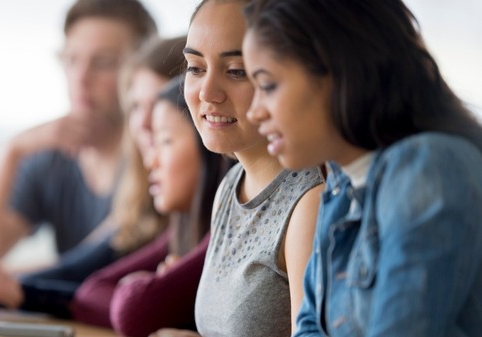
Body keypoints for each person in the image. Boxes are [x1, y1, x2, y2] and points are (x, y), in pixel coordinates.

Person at [242, 0, 482, 336]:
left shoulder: (430, 168)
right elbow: (308, 326)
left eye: (267, 86)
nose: (254, 112)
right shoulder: (341, 184)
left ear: (338, 70)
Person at [0, 36, 187, 314]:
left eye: (104, 62)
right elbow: (81, 272)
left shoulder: (205, 215)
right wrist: (9, 149)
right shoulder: (140, 199)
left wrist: (18, 291)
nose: (144, 124)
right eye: (136, 106)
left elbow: (125, 299)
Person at [152, 1, 325, 336]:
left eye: (236, 71)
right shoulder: (230, 187)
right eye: (196, 67)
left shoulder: (309, 201)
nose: (207, 93)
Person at [71, 75, 235, 337]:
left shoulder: (227, 228)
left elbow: (136, 310)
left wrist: (141, 286)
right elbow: (90, 292)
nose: (150, 160)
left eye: (165, 142)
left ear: (210, 153)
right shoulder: (178, 231)